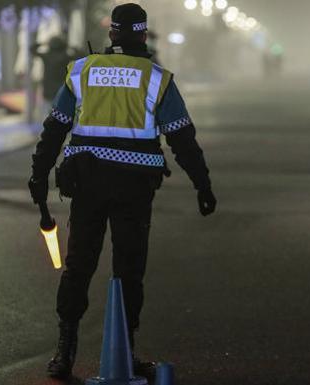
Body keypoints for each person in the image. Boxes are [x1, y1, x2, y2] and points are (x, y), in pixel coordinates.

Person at [28, 3, 217, 380]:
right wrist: (203, 184)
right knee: (129, 270)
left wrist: (39, 174)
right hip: (134, 188)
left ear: (111, 33)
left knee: (79, 265)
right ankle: (125, 352)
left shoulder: (82, 71)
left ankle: (64, 352)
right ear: (144, 35)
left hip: (87, 184)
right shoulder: (156, 78)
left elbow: (55, 129)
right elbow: (182, 137)